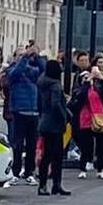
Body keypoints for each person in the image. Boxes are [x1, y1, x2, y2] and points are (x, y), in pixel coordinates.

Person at [5, 46, 44, 186]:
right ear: (15, 57)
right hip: (19, 110)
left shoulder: (33, 71)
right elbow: (15, 73)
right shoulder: (12, 70)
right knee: (18, 144)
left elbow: (44, 71)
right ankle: (15, 172)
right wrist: (25, 58)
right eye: (19, 55)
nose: (23, 57)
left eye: (24, 55)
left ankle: (29, 172)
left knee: (32, 145)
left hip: (33, 111)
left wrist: (37, 56)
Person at [70, 65, 103, 179]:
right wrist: (86, 83)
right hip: (86, 118)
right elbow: (80, 98)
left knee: (101, 145)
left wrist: (102, 79)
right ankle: (83, 168)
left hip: (100, 117)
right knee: (86, 146)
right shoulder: (81, 88)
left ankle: (100, 169)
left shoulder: (99, 87)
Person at [36, 60, 70, 196]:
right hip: (55, 124)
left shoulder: (42, 81)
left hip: (45, 120)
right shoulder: (55, 85)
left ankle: (43, 184)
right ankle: (56, 184)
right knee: (56, 156)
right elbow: (56, 104)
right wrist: (64, 116)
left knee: (47, 156)